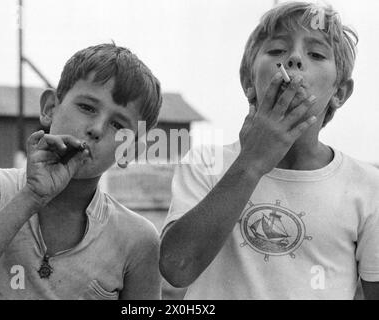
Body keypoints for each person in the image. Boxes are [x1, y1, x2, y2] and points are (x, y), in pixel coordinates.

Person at [160, 2, 379, 299]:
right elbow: (176, 268)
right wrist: (251, 162)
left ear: (339, 92)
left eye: (315, 54)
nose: (294, 58)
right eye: (276, 50)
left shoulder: (367, 187)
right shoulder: (206, 163)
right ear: (249, 82)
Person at [0, 43, 163, 299]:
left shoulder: (137, 239)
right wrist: (31, 196)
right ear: (49, 108)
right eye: (87, 107)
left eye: (117, 124)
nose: (96, 129)